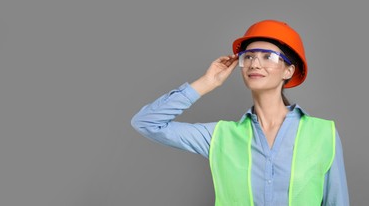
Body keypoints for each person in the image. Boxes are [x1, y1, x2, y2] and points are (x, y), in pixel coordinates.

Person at [131, 20, 349, 205]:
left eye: (268, 57)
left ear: (289, 70)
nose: (255, 63)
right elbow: (146, 123)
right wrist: (206, 83)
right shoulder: (220, 137)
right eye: (249, 57)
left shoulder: (323, 134)